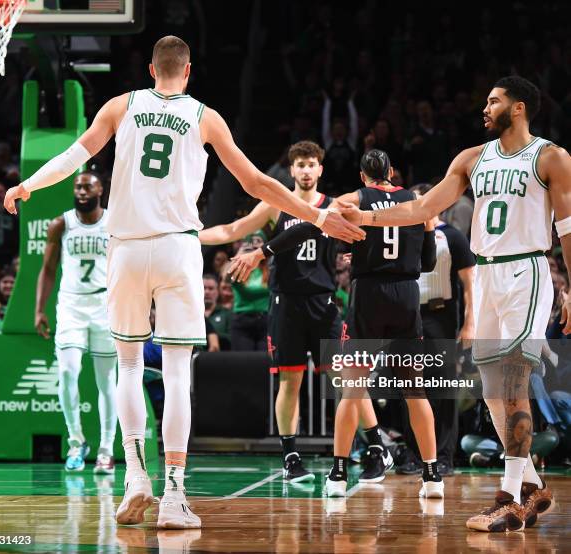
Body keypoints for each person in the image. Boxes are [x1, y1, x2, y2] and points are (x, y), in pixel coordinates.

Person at [4, 36, 363, 529]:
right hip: (177, 247)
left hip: (126, 247)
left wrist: (27, 185)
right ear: (188, 71)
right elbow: (258, 183)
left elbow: (73, 157)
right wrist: (318, 217)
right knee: (175, 374)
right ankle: (174, 495)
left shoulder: (120, 105)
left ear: (152, 69)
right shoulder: (204, 117)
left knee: (126, 366)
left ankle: (134, 477)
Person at [340, 76, 569, 532]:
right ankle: (531, 488)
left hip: (526, 269)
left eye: (494, 101)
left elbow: (567, 230)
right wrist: (363, 217)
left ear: (519, 108)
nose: (484, 108)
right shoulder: (471, 158)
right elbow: (420, 209)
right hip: (487, 274)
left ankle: (507, 500)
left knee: (511, 383)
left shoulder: (551, 156)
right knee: (490, 392)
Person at [230, 149, 439, 499]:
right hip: (406, 296)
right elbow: (429, 261)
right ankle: (432, 478)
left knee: (352, 387)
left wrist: (261, 253)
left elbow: (309, 227)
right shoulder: (415, 202)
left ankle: (339, 473)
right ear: (393, 173)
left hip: (369, 295)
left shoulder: (352, 199)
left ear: (362, 176)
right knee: (415, 391)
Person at [202, 140, 344, 483]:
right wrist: (190, 234)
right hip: (286, 303)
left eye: (312, 164)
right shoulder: (273, 205)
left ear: (320, 170)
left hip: (324, 302)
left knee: (341, 380)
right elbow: (233, 231)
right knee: (290, 382)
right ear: (291, 170)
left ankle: (362, 448)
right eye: (301, 165)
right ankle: (291, 457)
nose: (307, 170)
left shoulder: (336, 206)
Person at [35, 171, 118, 475]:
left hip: (104, 305)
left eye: (88, 186)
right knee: (68, 373)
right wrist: (39, 310)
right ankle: (76, 442)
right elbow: (47, 269)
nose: (82, 191)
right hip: (70, 304)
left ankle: (107, 449)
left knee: (107, 382)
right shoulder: (61, 224)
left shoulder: (114, 223)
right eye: (78, 187)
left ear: (100, 190)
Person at [397, 184, 476, 476]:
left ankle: (444, 456)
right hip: (407, 316)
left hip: (441, 317)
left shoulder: (452, 235)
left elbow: (470, 284)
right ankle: (415, 454)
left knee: (443, 389)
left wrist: (470, 323)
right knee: (409, 387)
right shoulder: (404, 233)